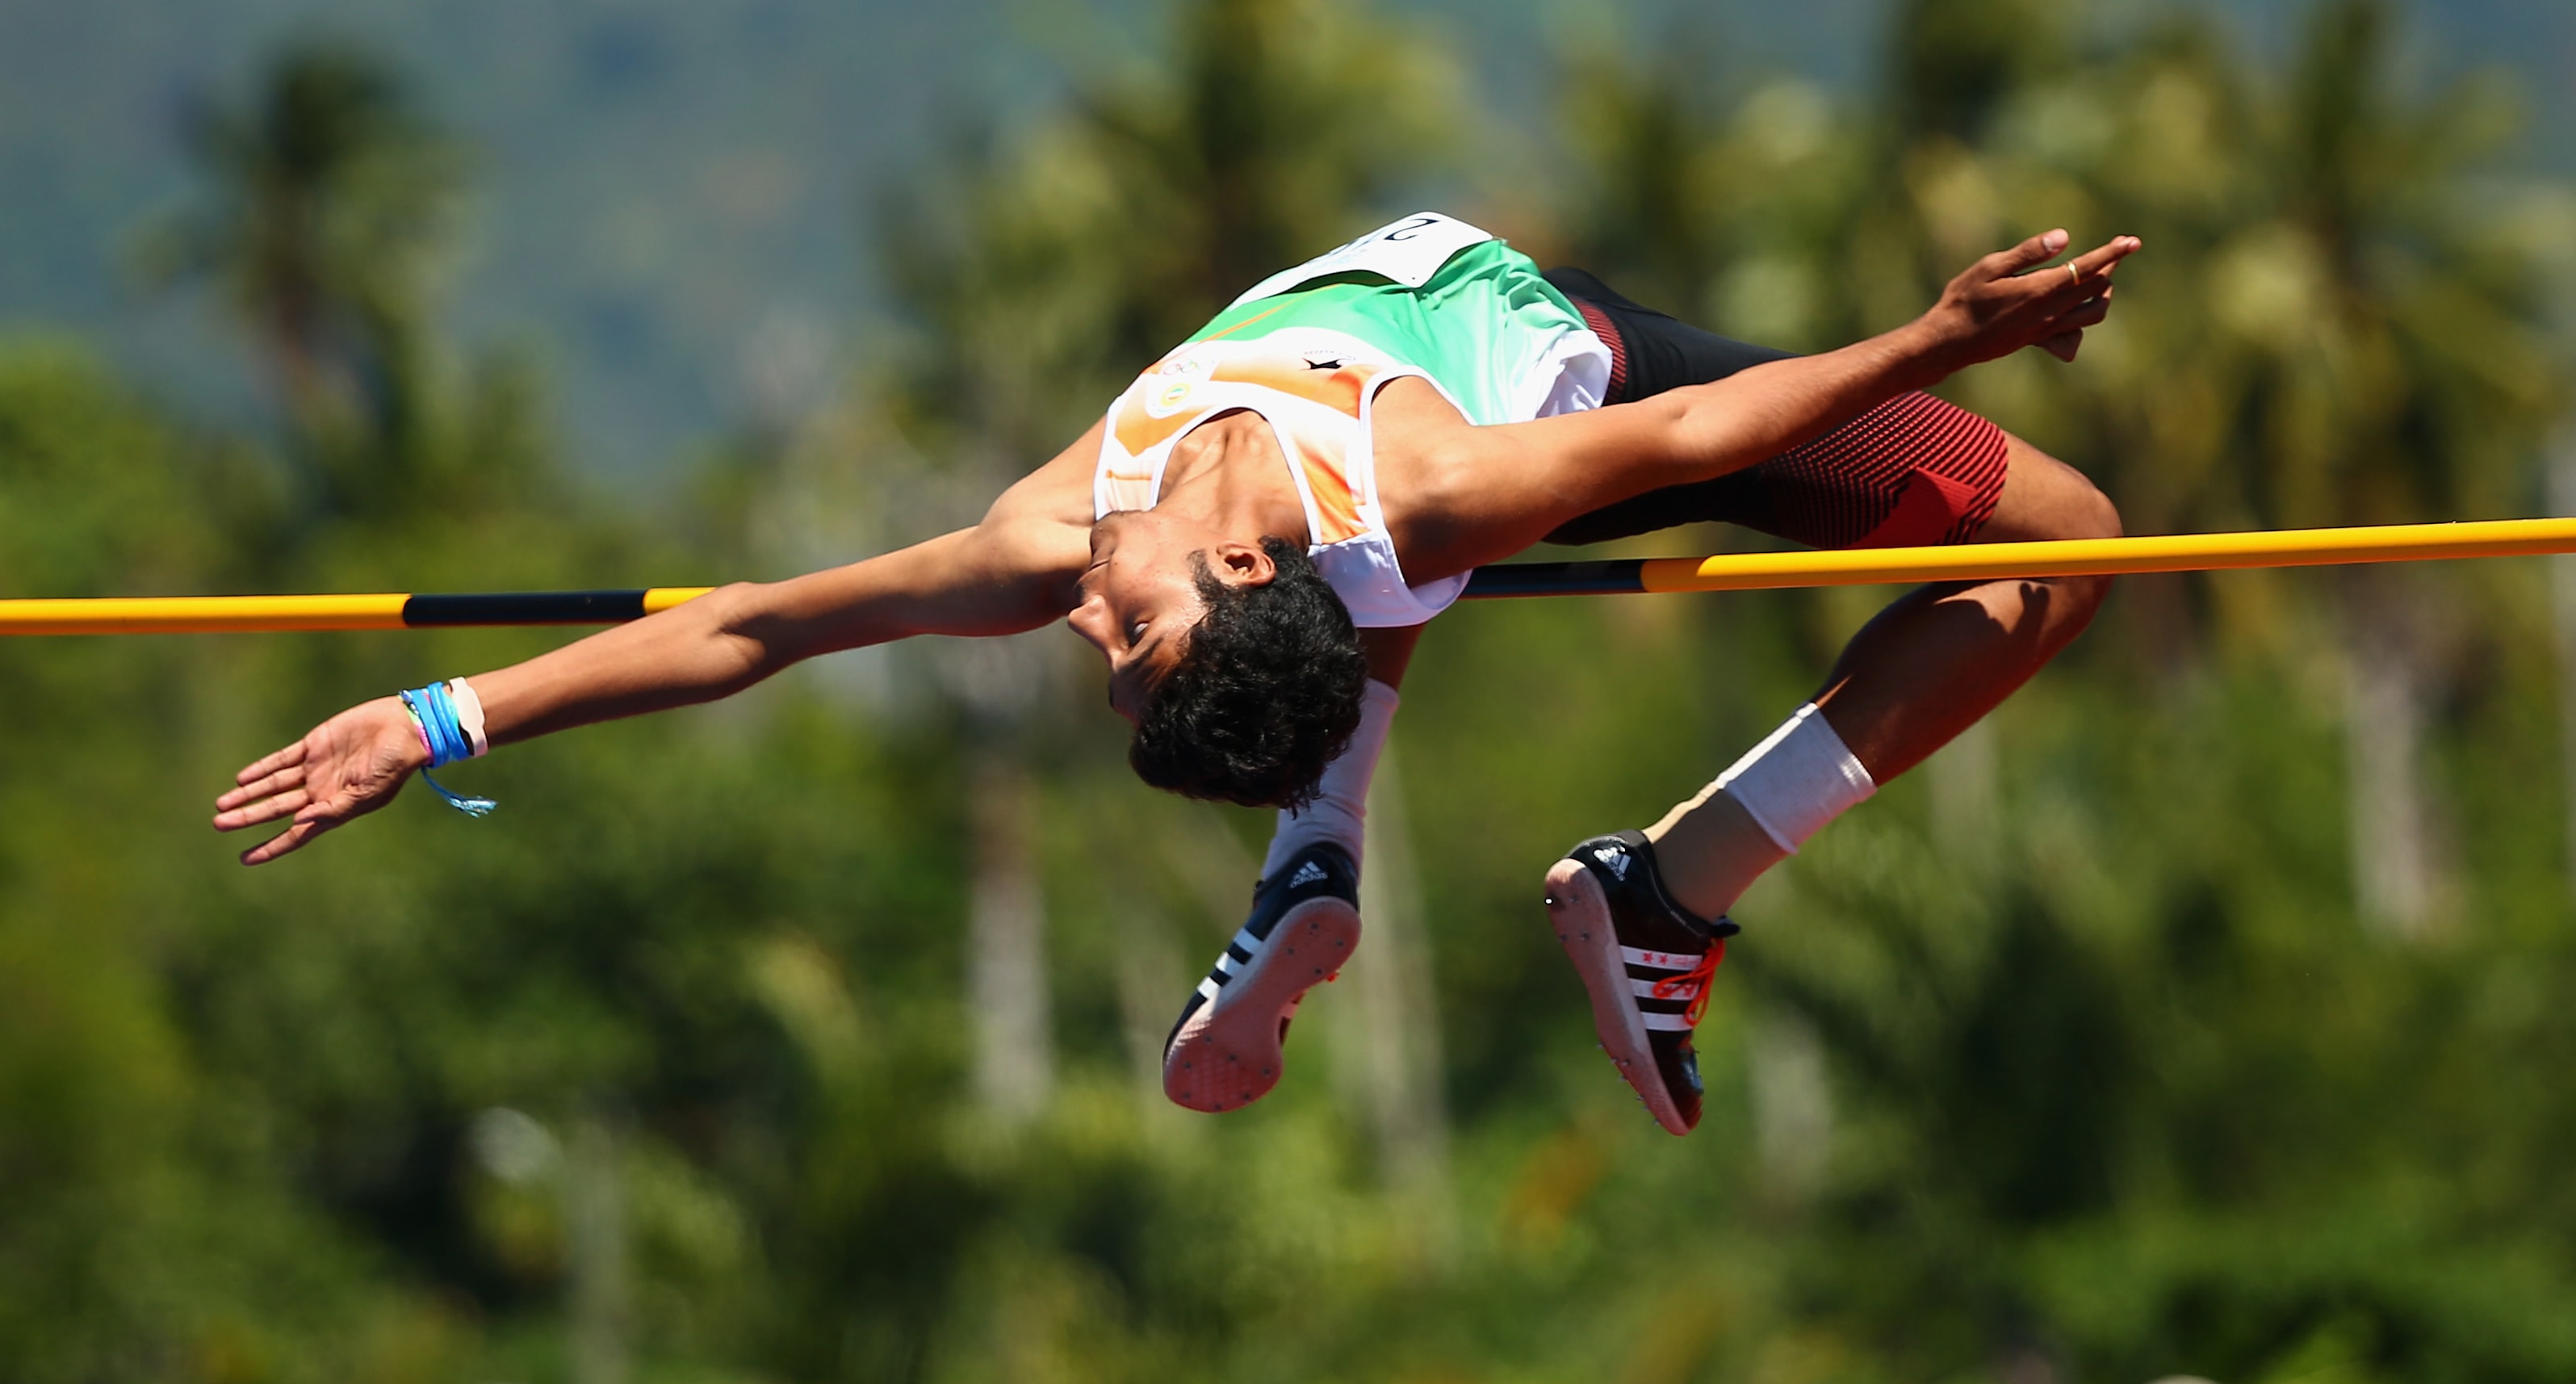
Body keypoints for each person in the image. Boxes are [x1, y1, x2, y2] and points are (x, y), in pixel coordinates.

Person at [212, 212, 2135, 1135]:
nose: (1081, 629)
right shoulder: (1441, 495)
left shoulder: (1067, 537)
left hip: (1544, 403)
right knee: (2073, 538)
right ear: (1230, 567)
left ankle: (1483, 868)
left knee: (2064, 548)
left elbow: (757, 624)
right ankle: (1489, 870)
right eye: (1130, 649)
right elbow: (1715, 424)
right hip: (1577, 382)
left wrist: (444, 717)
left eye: (1113, 654)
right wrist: (1936, 333)